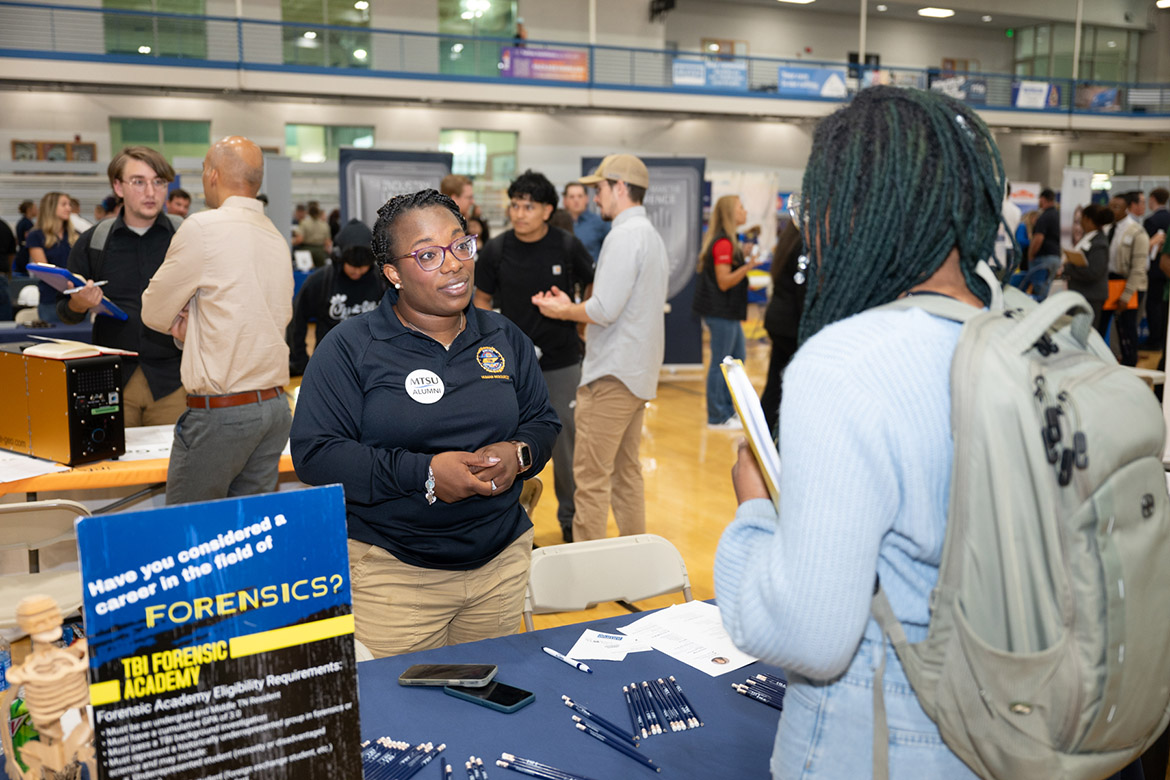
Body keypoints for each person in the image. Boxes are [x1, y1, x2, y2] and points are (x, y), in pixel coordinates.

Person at [715, 86, 1004, 779]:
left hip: (881, 745)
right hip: (1008, 732)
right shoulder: (1027, 339)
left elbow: (807, 635)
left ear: (850, 208)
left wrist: (753, 510)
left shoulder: (848, 365)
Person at [290, 189, 560, 657]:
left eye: (461, 245)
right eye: (429, 254)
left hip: (499, 565)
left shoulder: (503, 335)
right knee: (403, 721)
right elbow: (316, 454)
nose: (454, 264)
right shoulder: (350, 347)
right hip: (394, 574)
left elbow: (542, 420)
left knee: (488, 712)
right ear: (393, 273)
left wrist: (518, 455)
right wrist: (426, 474)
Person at [141, 135, 293, 505]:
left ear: (212, 175)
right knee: (247, 533)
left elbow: (153, 311)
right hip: (274, 408)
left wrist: (188, 317)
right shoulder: (276, 237)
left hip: (224, 412)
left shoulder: (202, 228)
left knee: (190, 532)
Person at [531, 154, 668, 542]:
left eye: (600, 189)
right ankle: (634, 568)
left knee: (590, 479)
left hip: (611, 375)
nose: (595, 198)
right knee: (626, 474)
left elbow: (604, 308)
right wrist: (571, 307)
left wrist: (563, 310)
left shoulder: (624, 236)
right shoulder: (649, 235)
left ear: (619, 188)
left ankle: (589, 577)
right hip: (635, 373)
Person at [475, 170, 595, 544]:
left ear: (546, 210)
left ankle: (571, 522)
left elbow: (592, 287)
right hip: (507, 370)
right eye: (514, 205)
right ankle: (512, 522)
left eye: (528, 206)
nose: (519, 213)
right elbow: (480, 300)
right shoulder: (496, 250)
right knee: (508, 445)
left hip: (561, 362)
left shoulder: (567, 246)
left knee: (567, 445)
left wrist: (579, 319)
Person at [57, 146, 187, 427]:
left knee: (173, 468)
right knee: (113, 468)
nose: (150, 192)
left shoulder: (186, 238)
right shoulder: (94, 242)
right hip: (112, 381)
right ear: (118, 186)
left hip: (174, 381)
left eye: (159, 182)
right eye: (138, 182)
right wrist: (80, 302)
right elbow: (66, 311)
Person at [692, 194, 763, 429]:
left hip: (728, 312)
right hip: (720, 312)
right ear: (730, 213)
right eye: (741, 207)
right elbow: (723, 282)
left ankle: (727, 411)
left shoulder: (730, 243)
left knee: (735, 361)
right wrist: (747, 267)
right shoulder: (723, 243)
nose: (745, 212)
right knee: (721, 363)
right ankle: (717, 416)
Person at [287, 237, 385, 376]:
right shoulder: (321, 280)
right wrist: (299, 360)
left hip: (373, 361)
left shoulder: (381, 281)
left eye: (362, 267)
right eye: (352, 266)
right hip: (330, 361)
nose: (357, 272)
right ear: (341, 259)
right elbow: (297, 320)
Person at [758, 222, 806, 436]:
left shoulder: (789, 238)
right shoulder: (802, 246)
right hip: (790, 326)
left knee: (775, 385)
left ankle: (762, 435)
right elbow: (801, 294)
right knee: (782, 388)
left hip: (780, 322)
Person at [1099, 190, 1150, 366]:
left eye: (1117, 207)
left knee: (1127, 332)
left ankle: (1130, 366)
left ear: (1127, 209)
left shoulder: (1137, 232)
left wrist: (1126, 295)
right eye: (1110, 206)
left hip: (1129, 285)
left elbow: (1138, 268)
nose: (1112, 210)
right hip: (1109, 283)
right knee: (1101, 326)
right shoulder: (1105, 229)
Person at [25, 191, 77, 323]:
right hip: (51, 300)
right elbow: (45, 271)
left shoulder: (74, 235)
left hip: (76, 301)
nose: (69, 208)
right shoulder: (36, 236)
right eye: (64, 204)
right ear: (51, 207)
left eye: (69, 204)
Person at [1062, 203, 1113, 328]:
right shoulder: (1089, 239)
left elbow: (1094, 272)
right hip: (1081, 293)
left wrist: (1069, 269)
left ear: (1088, 220)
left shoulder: (1099, 243)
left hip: (1091, 296)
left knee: (1084, 333)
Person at [1026, 188, 1061, 299]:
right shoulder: (1058, 216)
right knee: (1047, 287)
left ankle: (1040, 313)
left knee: (1040, 290)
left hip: (1044, 258)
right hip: (1056, 257)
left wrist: (1031, 254)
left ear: (1043, 199)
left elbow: (1038, 238)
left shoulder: (1044, 217)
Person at [563, 182, 610, 264]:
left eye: (580, 196)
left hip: (591, 274)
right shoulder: (558, 223)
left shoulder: (599, 222)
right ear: (565, 200)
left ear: (587, 199)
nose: (576, 200)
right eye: (571, 197)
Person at [296, 200, 332, 268]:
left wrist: (292, 241)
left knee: (305, 270)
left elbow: (299, 239)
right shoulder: (324, 224)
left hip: (306, 250)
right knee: (321, 271)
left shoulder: (304, 223)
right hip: (320, 251)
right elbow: (328, 242)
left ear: (308, 212)